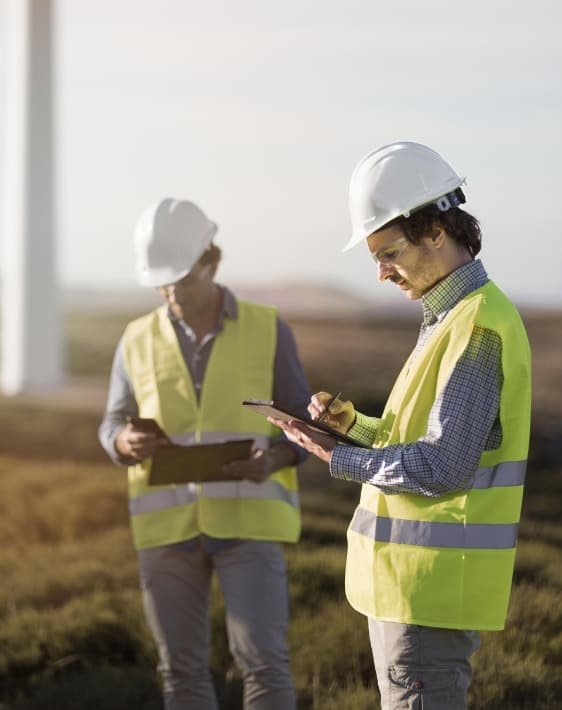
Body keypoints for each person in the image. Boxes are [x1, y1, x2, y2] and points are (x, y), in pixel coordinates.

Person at [271, 142, 531, 709]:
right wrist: (353, 427)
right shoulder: (448, 318)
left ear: (437, 230)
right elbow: (425, 443)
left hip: (427, 594)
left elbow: (443, 467)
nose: (383, 273)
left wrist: (336, 458)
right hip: (409, 590)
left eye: (389, 253)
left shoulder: (476, 327)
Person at [98, 197, 310, 710]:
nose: (173, 294)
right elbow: (111, 423)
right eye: (162, 283)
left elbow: (303, 427)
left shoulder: (268, 327)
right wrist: (125, 442)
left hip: (248, 524)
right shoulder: (134, 338)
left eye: (184, 280)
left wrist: (274, 460)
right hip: (167, 532)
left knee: (264, 665)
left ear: (212, 262)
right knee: (180, 673)